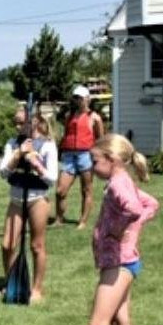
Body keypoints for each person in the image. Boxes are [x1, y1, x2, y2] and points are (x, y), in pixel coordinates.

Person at [50, 134, 158, 325]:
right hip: (126, 261)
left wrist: (119, 230)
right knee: (121, 321)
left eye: (95, 160)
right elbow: (150, 204)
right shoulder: (121, 181)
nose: (91, 164)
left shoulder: (119, 185)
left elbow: (133, 209)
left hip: (117, 263)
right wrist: (133, 228)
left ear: (110, 160)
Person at [0, 103, 58, 303]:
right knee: (7, 245)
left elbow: (52, 179)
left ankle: (37, 289)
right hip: (16, 199)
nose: (17, 128)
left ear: (33, 122)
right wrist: (17, 155)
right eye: (15, 123)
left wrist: (36, 163)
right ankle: (12, 282)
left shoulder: (48, 145)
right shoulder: (12, 144)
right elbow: (2, 172)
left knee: (36, 245)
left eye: (21, 123)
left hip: (37, 199)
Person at [54, 85, 104, 229]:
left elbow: (101, 140)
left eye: (80, 98)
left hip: (85, 155)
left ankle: (82, 221)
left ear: (87, 99)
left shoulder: (94, 117)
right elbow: (65, 134)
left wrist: (98, 158)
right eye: (75, 98)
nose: (77, 100)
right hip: (69, 155)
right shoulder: (68, 115)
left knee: (86, 190)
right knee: (60, 191)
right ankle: (59, 219)